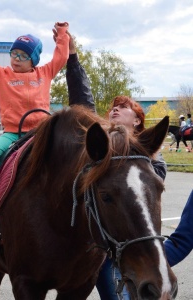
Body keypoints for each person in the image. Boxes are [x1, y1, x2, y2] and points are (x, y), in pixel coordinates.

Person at [64, 32, 167, 299]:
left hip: (126, 250)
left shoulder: (150, 161)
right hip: (94, 248)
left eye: (124, 107)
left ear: (137, 122)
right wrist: (72, 56)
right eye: (112, 107)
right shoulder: (102, 151)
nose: (114, 109)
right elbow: (82, 102)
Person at [0, 19, 70, 217]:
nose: (16, 59)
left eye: (23, 55)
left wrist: (62, 33)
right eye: (14, 54)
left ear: (33, 60)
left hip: (41, 133)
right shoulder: (2, 74)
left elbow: (61, 57)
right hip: (13, 134)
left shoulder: (45, 73)